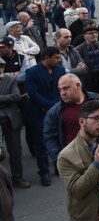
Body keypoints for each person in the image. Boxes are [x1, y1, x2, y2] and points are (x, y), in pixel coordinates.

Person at [24, 46, 66, 186]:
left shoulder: (60, 70)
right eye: (56, 58)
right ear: (46, 58)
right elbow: (32, 92)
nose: (58, 60)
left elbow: (62, 89)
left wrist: (56, 106)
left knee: (59, 138)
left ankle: (58, 165)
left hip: (57, 109)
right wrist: (48, 106)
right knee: (41, 143)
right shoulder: (32, 72)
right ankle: (44, 172)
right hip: (39, 112)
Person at [0, 56, 30, 188]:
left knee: (15, 150)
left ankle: (17, 177)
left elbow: (16, 96)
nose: (0, 69)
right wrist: (6, 99)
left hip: (10, 118)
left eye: (1, 66)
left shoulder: (10, 79)